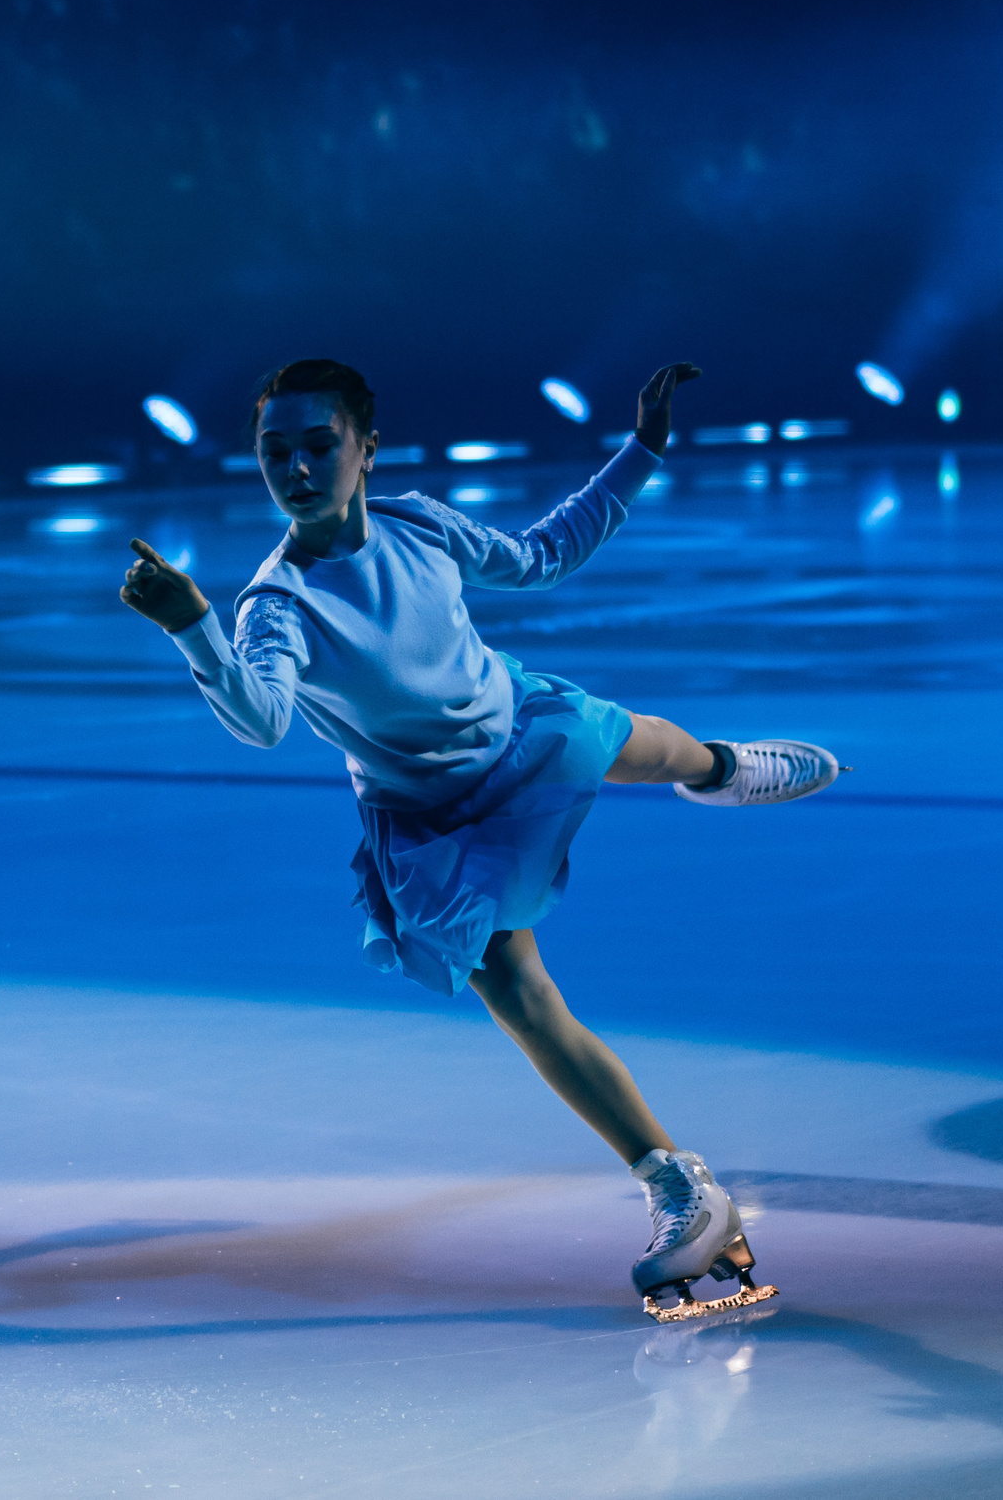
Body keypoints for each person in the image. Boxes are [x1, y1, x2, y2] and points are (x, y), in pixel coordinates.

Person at [118, 358, 842, 1321]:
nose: (295, 468)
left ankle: (721, 767)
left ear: (366, 450)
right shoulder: (277, 602)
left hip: (518, 727)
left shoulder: (418, 524)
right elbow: (260, 718)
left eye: (318, 445)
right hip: (434, 821)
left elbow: (543, 554)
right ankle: (679, 1184)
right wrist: (193, 626)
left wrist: (642, 447)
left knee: (632, 743)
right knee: (524, 998)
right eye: (274, 450)